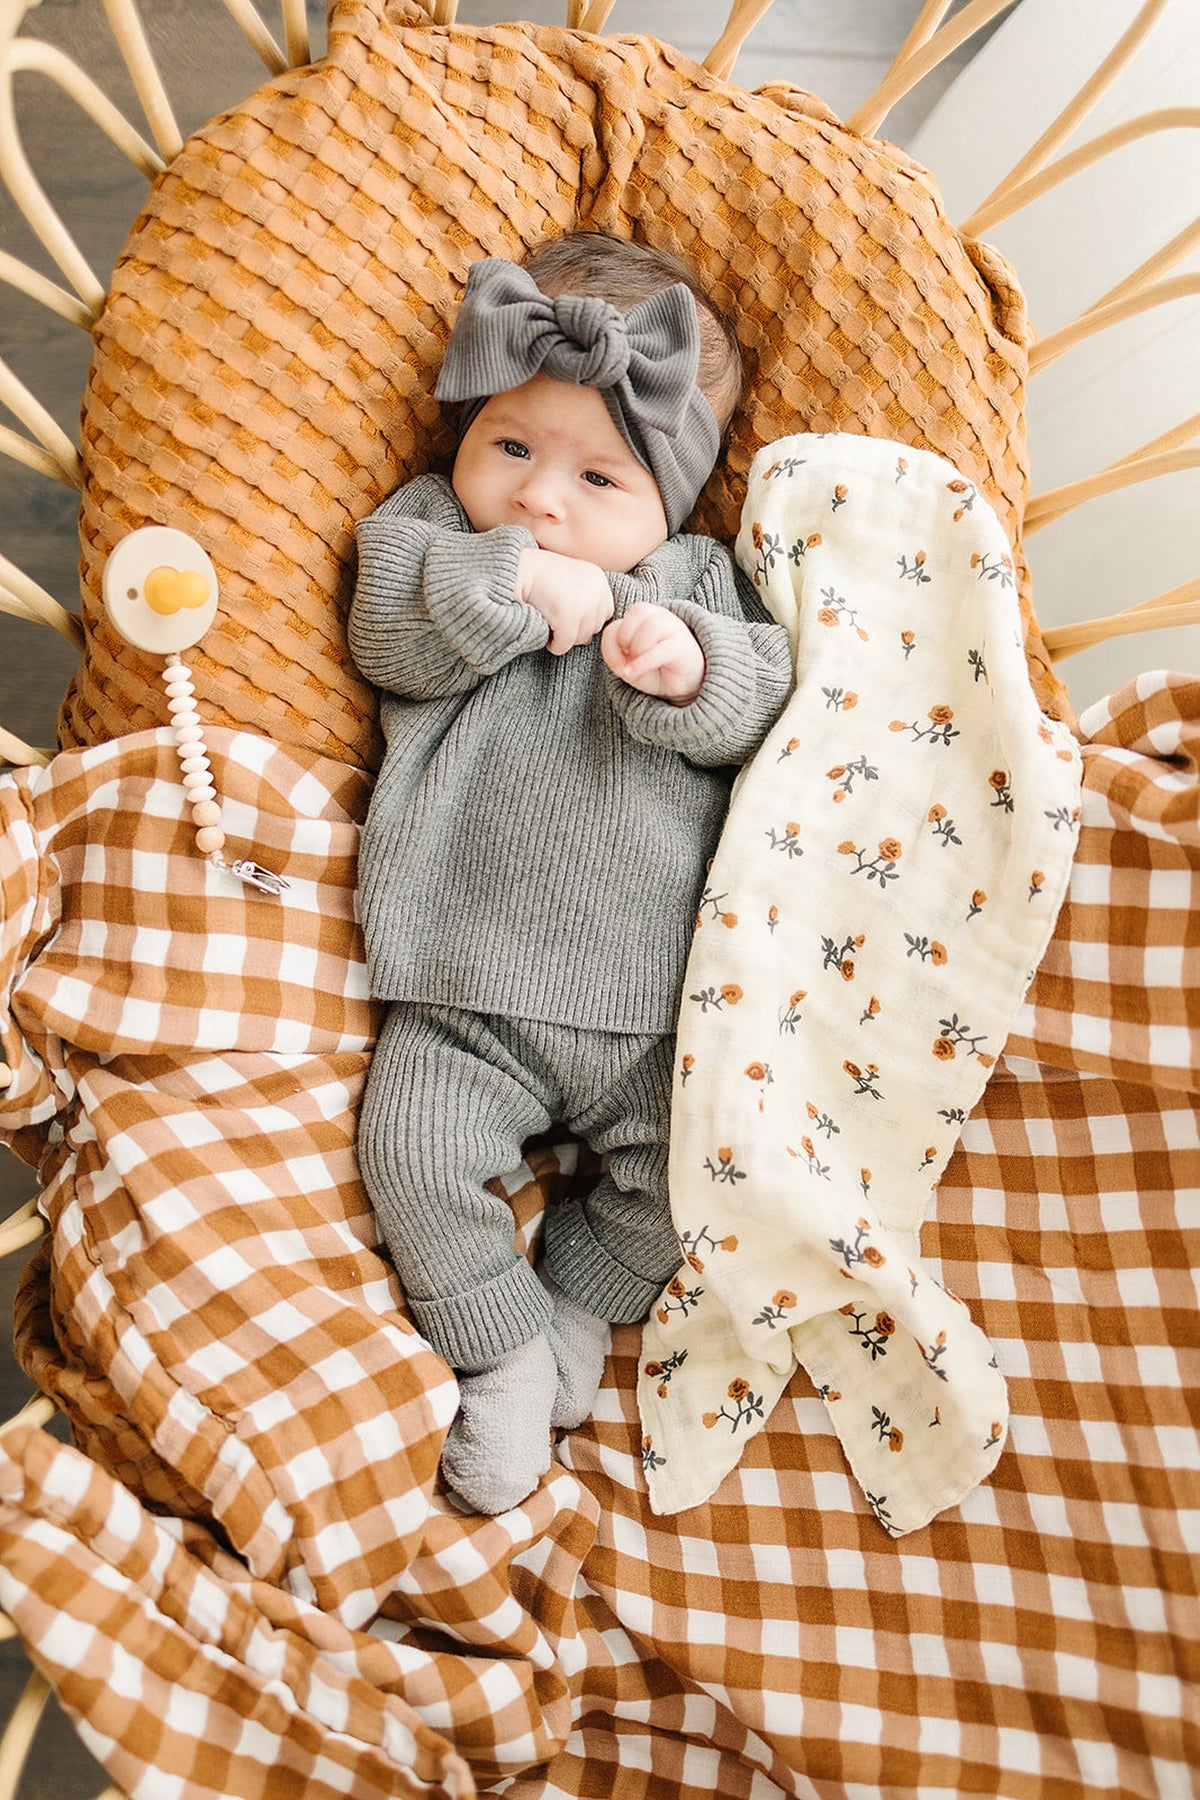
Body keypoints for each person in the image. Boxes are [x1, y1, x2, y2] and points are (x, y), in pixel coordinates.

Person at [349, 231, 792, 1513]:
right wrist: (509, 584)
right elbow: (387, 634)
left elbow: (770, 707)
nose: (544, 497)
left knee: (702, 1190)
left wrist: (691, 668)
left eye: (599, 475)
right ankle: (492, 1355)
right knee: (414, 1156)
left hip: (660, 1010)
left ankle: (573, 1313)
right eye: (513, 448)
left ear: (674, 503)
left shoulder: (704, 584)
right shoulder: (436, 538)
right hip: (462, 981)